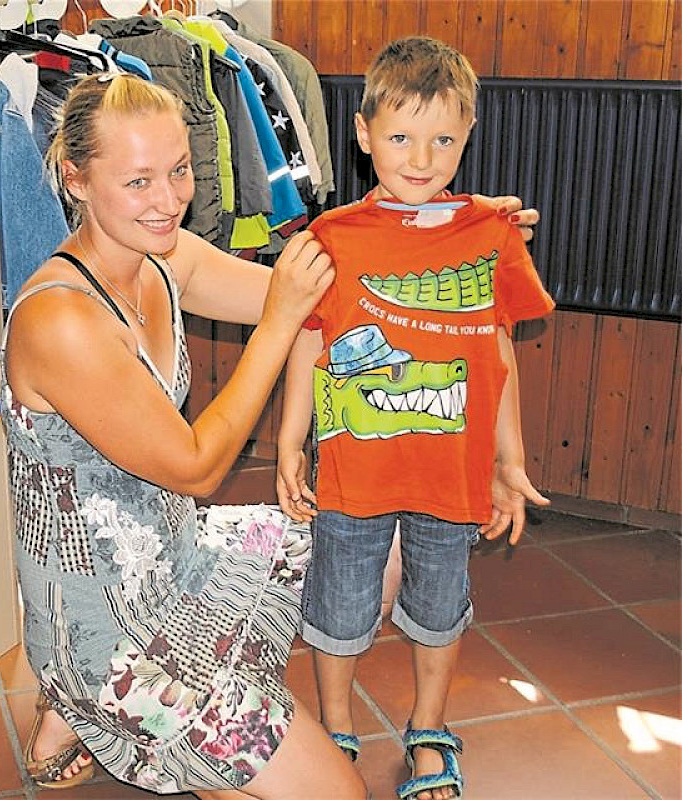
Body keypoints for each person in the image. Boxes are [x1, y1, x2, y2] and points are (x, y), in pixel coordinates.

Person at [2, 73, 364, 798]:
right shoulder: (60, 320)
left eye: (178, 171)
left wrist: (449, 231)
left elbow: (320, 285)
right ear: (75, 179)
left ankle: (122, 727)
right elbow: (197, 468)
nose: (168, 201)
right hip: (112, 636)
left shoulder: (162, 258)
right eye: (138, 181)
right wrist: (279, 326)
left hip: (180, 558)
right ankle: (82, 698)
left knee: (352, 554)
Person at [275, 36, 555, 800]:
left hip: (451, 471)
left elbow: (500, 352)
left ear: (468, 137)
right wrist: (289, 440)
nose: (421, 158)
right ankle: (336, 727)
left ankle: (430, 728)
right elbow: (307, 340)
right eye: (400, 136)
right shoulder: (331, 238)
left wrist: (511, 460)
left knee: (439, 604)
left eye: (442, 140)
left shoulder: (492, 235)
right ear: (364, 136)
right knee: (337, 603)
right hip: (354, 468)